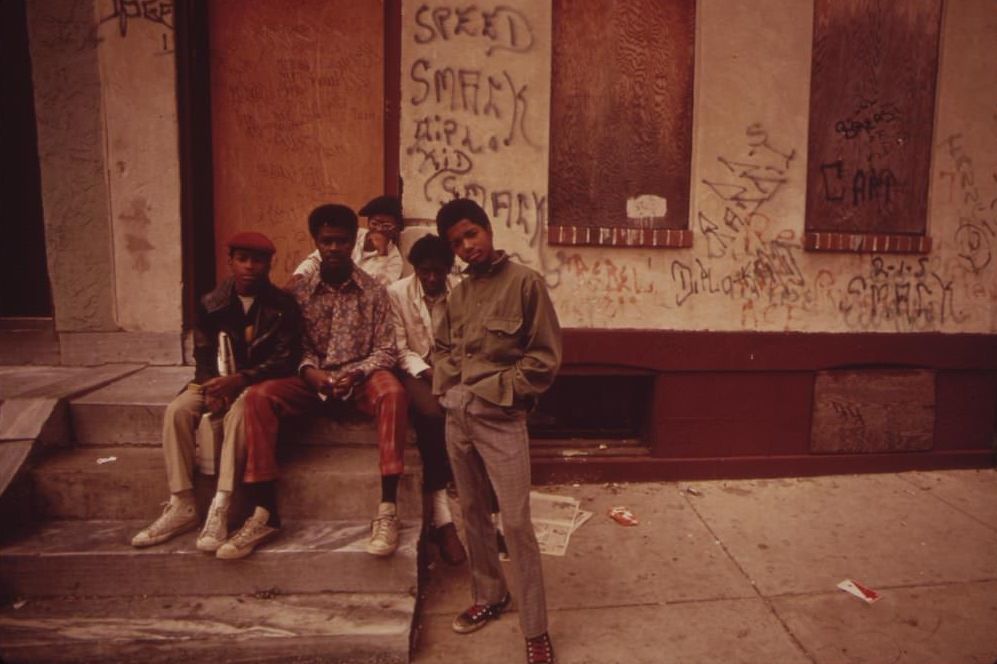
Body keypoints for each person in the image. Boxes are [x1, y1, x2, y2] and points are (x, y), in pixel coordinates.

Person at [232, 203, 408, 560]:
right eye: (327, 241)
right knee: (258, 396)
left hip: (360, 378)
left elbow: (386, 348)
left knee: (392, 391)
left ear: (353, 243)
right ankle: (265, 512)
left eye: (342, 241)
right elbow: (294, 347)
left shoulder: (374, 291)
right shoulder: (298, 294)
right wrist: (311, 373)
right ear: (316, 241)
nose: (334, 248)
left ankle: (388, 508)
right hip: (313, 381)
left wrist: (355, 373)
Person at [432, 199, 562, 664]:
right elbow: (442, 347)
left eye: (471, 234)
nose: (467, 246)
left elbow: (544, 358)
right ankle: (490, 594)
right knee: (472, 512)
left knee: (517, 523)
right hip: (458, 418)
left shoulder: (526, 283)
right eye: (456, 243)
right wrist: (449, 391)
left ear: (487, 229)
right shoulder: (458, 295)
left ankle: (535, 629)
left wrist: (501, 393)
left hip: (501, 420)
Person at [131, 231, 302, 554]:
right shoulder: (211, 303)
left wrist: (240, 380)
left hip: (255, 383)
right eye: (242, 259)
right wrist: (211, 385)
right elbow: (203, 354)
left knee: (240, 412)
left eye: (258, 260)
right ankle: (182, 502)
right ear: (230, 261)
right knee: (178, 410)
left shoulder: (283, 306)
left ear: (269, 264)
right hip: (216, 381)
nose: (249, 267)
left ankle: (221, 503)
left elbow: (284, 359)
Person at [387, 234, 467, 565]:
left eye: (438, 271)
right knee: (432, 414)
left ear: (449, 269)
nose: (432, 278)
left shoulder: (462, 290)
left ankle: (490, 518)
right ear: (415, 269)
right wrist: (429, 373)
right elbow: (400, 348)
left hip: (456, 369)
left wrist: (450, 373)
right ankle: (442, 516)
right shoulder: (397, 293)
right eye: (424, 272)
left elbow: (467, 340)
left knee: (473, 412)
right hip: (417, 369)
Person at [289, 195, 404, 289]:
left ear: (396, 230)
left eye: (386, 226)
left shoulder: (395, 260)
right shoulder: (351, 235)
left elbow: (379, 289)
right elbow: (316, 259)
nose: (379, 229)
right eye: (375, 223)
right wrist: (299, 275)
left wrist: (382, 254)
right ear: (368, 222)